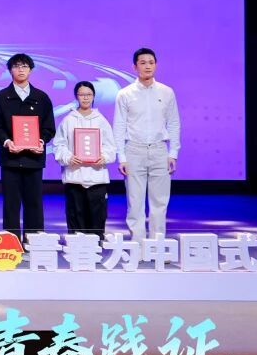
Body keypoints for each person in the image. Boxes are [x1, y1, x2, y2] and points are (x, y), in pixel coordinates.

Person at [112, 47, 181, 242]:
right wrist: (121, 157)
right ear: (135, 67)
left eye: (151, 62)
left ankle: (157, 246)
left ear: (156, 65)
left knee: (160, 203)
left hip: (159, 150)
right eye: (143, 63)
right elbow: (119, 126)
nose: (147, 66)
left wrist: (173, 153)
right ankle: (138, 246)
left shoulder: (166, 92)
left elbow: (174, 123)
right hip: (134, 150)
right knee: (135, 203)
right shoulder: (125, 94)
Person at [0, 53, 56, 247]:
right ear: (10, 70)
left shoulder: (41, 98)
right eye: (17, 66)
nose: (21, 70)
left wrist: (41, 141)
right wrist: (7, 141)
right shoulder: (1, 97)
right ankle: (11, 245)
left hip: (34, 159)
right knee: (11, 204)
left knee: (34, 202)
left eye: (25, 66)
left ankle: (34, 243)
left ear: (31, 70)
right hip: (10, 159)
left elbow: (49, 127)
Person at [54, 81, 117, 238]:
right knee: (76, 219)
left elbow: (111, 147)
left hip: (97, 178)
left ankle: (96, 248)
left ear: (94, 96)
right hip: (74, 178)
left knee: (97, 220)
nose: (86, 98)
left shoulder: (101, 121)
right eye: (82, 94)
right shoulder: (68, 120)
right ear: (76, 97)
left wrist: (104, 157)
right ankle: (76, 249)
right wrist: (68, 157)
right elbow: (59, 146)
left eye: (89, 94)